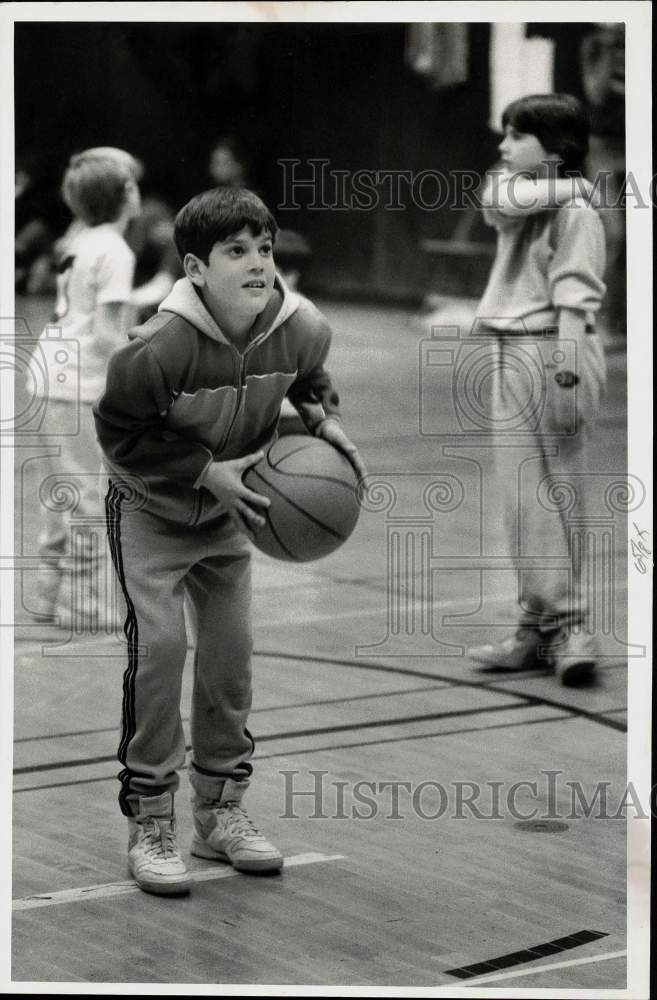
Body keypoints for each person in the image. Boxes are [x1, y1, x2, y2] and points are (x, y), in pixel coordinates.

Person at [93, 186, 366, 896]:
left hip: (226, 519)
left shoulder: (302, 326)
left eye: (265, 249)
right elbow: (118, 433)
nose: (256, 264)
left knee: (229, 661)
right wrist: (201, 469)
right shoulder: (156, 348)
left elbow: (311, 380)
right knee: (159, 654)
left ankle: (219, 815)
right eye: (236, 251)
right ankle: (150, 820)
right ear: (193, 267)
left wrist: (321, 416)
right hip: (151, 510)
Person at [466, 93, 607, 685]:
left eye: (516, 136)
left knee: (556, 497)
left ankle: (574, 629)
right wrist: (574, 184)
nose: (503, 146)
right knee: (522, 499)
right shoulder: (527, 195)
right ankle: (535, 626)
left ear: (554, 148)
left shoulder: (578, 216)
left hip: (556, 348)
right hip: (512, 348)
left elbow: (578, 301)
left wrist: (566, 377)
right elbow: (496, 196)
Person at [30, 147, 141, 627]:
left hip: (47, 377)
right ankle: (83, 604)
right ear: (124, 197)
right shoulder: (116, 251)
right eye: (132, 184)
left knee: (61, 493)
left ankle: (49, 593)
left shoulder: (78, 239)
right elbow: (106, 335)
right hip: (78, 384)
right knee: (86, 497)